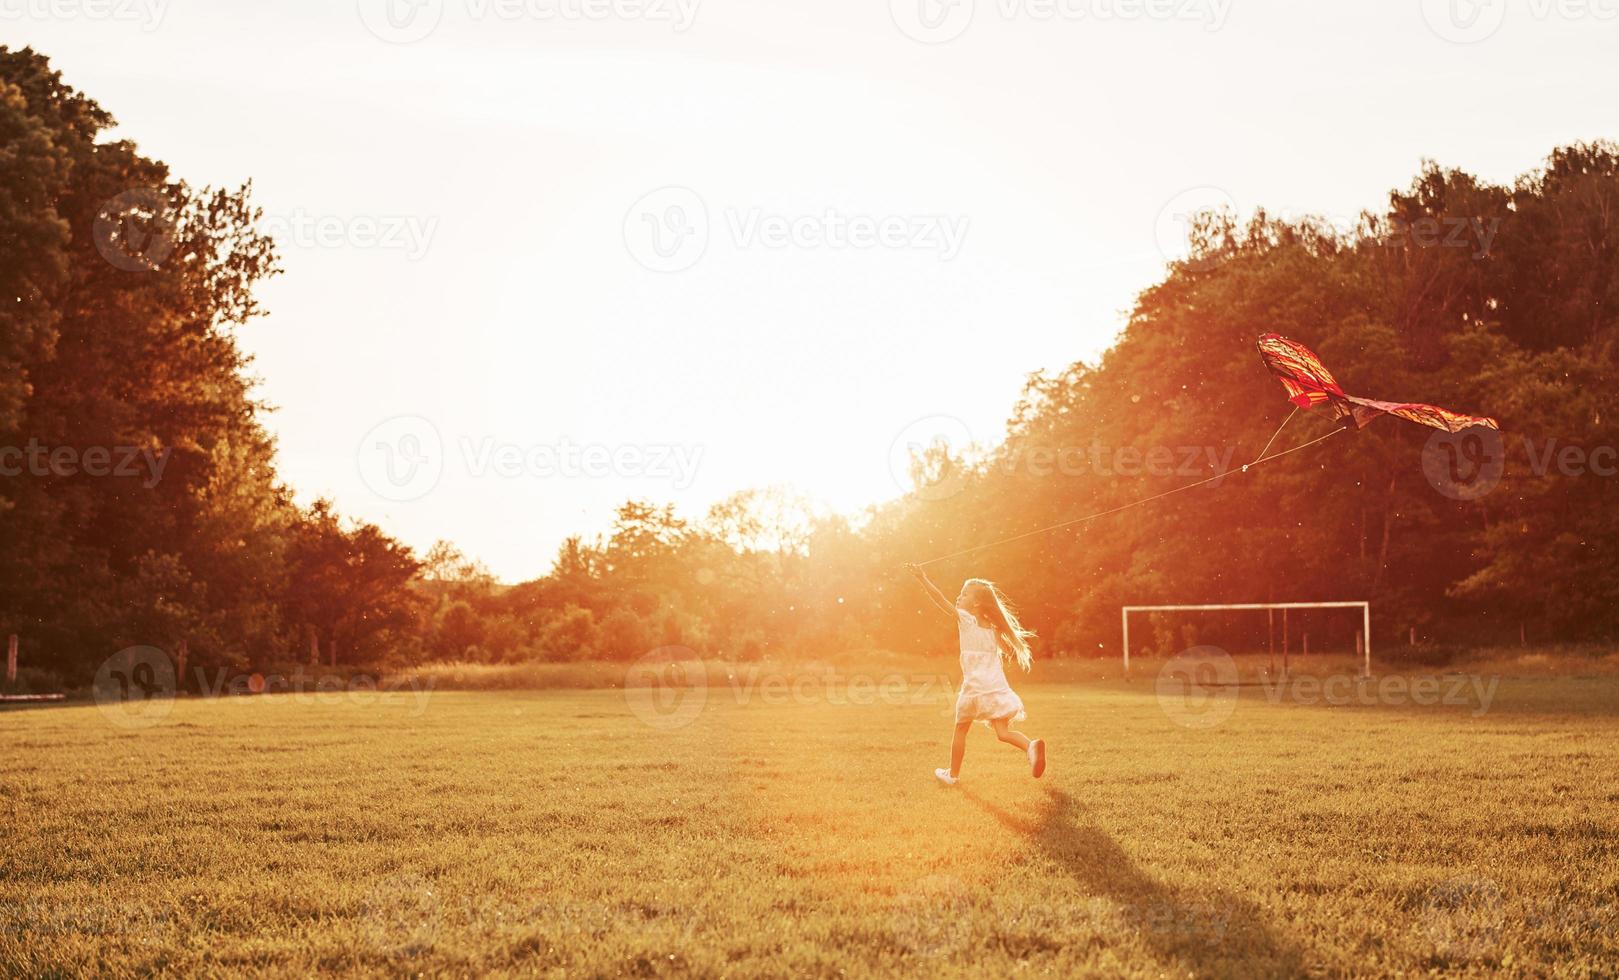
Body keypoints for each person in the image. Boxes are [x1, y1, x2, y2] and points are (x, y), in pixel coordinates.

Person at [905, 563, 1046, 785]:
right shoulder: (993, 628)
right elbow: (1003, 649)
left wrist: (922, 578)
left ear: (977, 603)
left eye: (964, 594)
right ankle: (1030, 746)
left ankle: (952, 775)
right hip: (996, 688)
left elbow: (939, 599)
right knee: (1003, 732)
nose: (958, 598)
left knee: (960, 729)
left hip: (974, 689)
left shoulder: (967, 620)